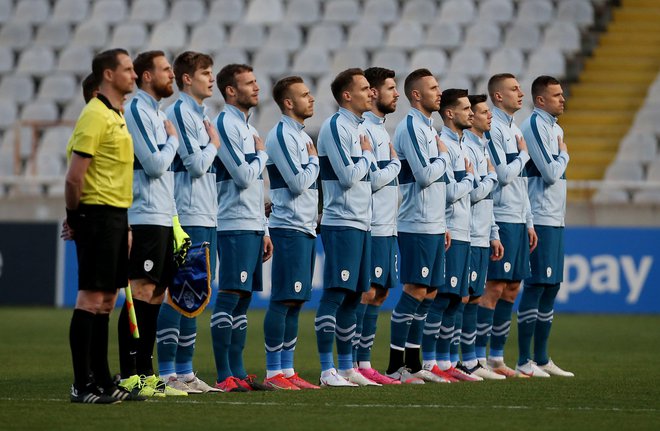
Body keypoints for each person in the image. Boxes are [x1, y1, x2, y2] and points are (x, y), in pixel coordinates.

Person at [65, 48, 137, 404]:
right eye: (127, 69)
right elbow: (74, 178)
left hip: (115, 216)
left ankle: (104, 380)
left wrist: (123, 226)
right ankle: (82, 385)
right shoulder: (95, 115)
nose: (134, 75)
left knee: (107, 301)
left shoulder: (115, 115)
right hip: (97, 214)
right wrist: (76, 218)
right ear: (108, 75)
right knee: (91, 299)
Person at [117, 51, 189, 398]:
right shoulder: (137, 111)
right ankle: (129, 374)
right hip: (143, 216)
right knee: (140, 293)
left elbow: (167, 177)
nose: (171, 75)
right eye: (165, 70)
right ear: (147, 76)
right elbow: (155, 165)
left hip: (161, 216)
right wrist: (174, 139)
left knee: (157, 295)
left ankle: (147, 374)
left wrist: (176, 224)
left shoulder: (157, 114)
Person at [158, 51, 221, 394]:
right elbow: (196, 165)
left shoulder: (201, 115)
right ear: (187, 79)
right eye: (205, 73)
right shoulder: (180, 112)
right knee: (179, 294)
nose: (211, 79)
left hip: (206, 213)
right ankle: (167, 373)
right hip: (186, 215)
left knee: (197, 295)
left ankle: (185, 372)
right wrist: (213, 145)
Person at [385, 69, 450, 384]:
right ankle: (396, 365)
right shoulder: (411, 126)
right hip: (417, 222)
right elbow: (425, 175)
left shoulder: (428, 127)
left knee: (430, 292)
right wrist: (444, 157)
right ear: (416, 95)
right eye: (433, 87)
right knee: (415, 290)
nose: (439, 92)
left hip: (434, 223)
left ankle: (414, 363)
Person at [314, 68, 378, 387]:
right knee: (336, 294)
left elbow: (368, 179)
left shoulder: (357, 128)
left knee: (355, 296)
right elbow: (348, 176)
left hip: (361, 222)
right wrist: (367, 155)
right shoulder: (337, 126)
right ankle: (327, 371)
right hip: (341, 221)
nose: (372, 93)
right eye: (365, 88)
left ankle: (347, 366)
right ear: (347, 96)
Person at [212, 64, 273, 392]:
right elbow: (244, 175)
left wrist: (264, 229)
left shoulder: (248, 128)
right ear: (231, 90)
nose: (256, 87)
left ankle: (238, 370)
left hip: (250, 223)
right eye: (249, 83)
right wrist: (262, 155)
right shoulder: (225, 123)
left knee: (244, 299)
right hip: (233, 222)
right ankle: (224, 375)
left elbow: (254, 188)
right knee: (231, 295)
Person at [476, 73, 537, 377]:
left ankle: (496, 358)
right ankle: (478, 355)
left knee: (512, 288)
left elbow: (521, 184)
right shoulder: (494, 129)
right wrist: (525, 154)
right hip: (499, 216)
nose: (520, 93)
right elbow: (502, 174)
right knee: (494, 287)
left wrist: (529, 221)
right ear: (498, 96)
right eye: (514, 89)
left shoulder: (513, 129)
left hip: (517, 218)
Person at [262, 76, 321, 390]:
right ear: (288, 102)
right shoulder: (283, 135)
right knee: (283, 299)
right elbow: (298, 183)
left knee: (296, 301)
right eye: (304, 94)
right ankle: (274, 373)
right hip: (289, 227)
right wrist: (314, 161)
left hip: (305, 227)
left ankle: (287, 369)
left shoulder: (297, 135)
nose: (311, 99)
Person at [420, 88, 479, 382]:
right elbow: (450, 193)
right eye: (466, 108)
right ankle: (430, 361)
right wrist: (470, 178)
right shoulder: (444, 144)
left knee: (458, 299)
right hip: (451, 230)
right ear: (449, 113)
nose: (472, 113)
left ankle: (447, 360)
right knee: (443, 299)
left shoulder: (464, 145)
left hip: (465, 230)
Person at [516, 76, 574, 377]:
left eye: (562, 94)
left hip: (555, 217)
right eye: (556, 95)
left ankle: (542, 358)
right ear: (540, 101)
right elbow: (551, 173)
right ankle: (524, 361)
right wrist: (565, 153)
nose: (562, 99)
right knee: (537, 284)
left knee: (552, 286)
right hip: (539, 216)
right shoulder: (535, 126)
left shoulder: (555, 127)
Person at [352, 67, 401, 385]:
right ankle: (351, 362)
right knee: (366, 293)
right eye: (389, 88)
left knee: (380, 294)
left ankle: (364, 362)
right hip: (370, 225)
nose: (394, 93)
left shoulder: (381, 130)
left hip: (388, 225)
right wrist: (395, 164)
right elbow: (368, 180)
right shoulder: (364, 130)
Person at [460, 94, 505, 380]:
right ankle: (454, 360)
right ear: (471, 118)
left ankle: (472, 359)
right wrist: (491, 178)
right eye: (483, 112)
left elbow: (486, 199)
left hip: (480, 232)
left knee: (474, 297)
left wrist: (493, 232)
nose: (490, 116)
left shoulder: (484, 147)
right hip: (466, 232)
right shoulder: (465, 148)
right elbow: (476, 193)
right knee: (460, 298)